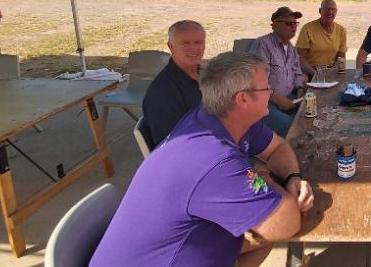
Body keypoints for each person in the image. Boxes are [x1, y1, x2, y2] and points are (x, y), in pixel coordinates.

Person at [91, 52, 314, 267]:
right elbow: (286, 225)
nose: (271, 91)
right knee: (270, 227)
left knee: (261, 236)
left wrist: (291, 177)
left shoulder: (218, 117)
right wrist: (266, 177)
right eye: (266, 87)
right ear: (243, 98)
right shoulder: (215, 158)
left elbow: (277, 148)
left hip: (185, 246)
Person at [142, 20, 206, 147]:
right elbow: (172, 147)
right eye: (185, 43)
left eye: (198, 42)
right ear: (170, 46)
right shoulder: (163, 94)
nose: (193, 48)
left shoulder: (203, 73)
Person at [249, 6, 308, 136]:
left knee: (313, 117)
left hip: (290, 98)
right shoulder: (263, 44)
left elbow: (297, 73)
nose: (293, 26)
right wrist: (278, 100)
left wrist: (299, 90)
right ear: (274, 25)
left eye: (295, 23)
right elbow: (254, 84)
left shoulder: (291, 49)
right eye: (289, 23)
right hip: (265, 103)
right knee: (295, 129)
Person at [296, 0, 347, 77]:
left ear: (336, 11)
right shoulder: (307, 28)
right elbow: (299, 57)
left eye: (333, 9)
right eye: (326, 9)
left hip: (330, 70)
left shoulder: (341, 30)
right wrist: (313, 73)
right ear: (320, 11)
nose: (330, 12)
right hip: (309, 70)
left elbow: (341, 57)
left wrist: (333, 71)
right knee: (303, 80)